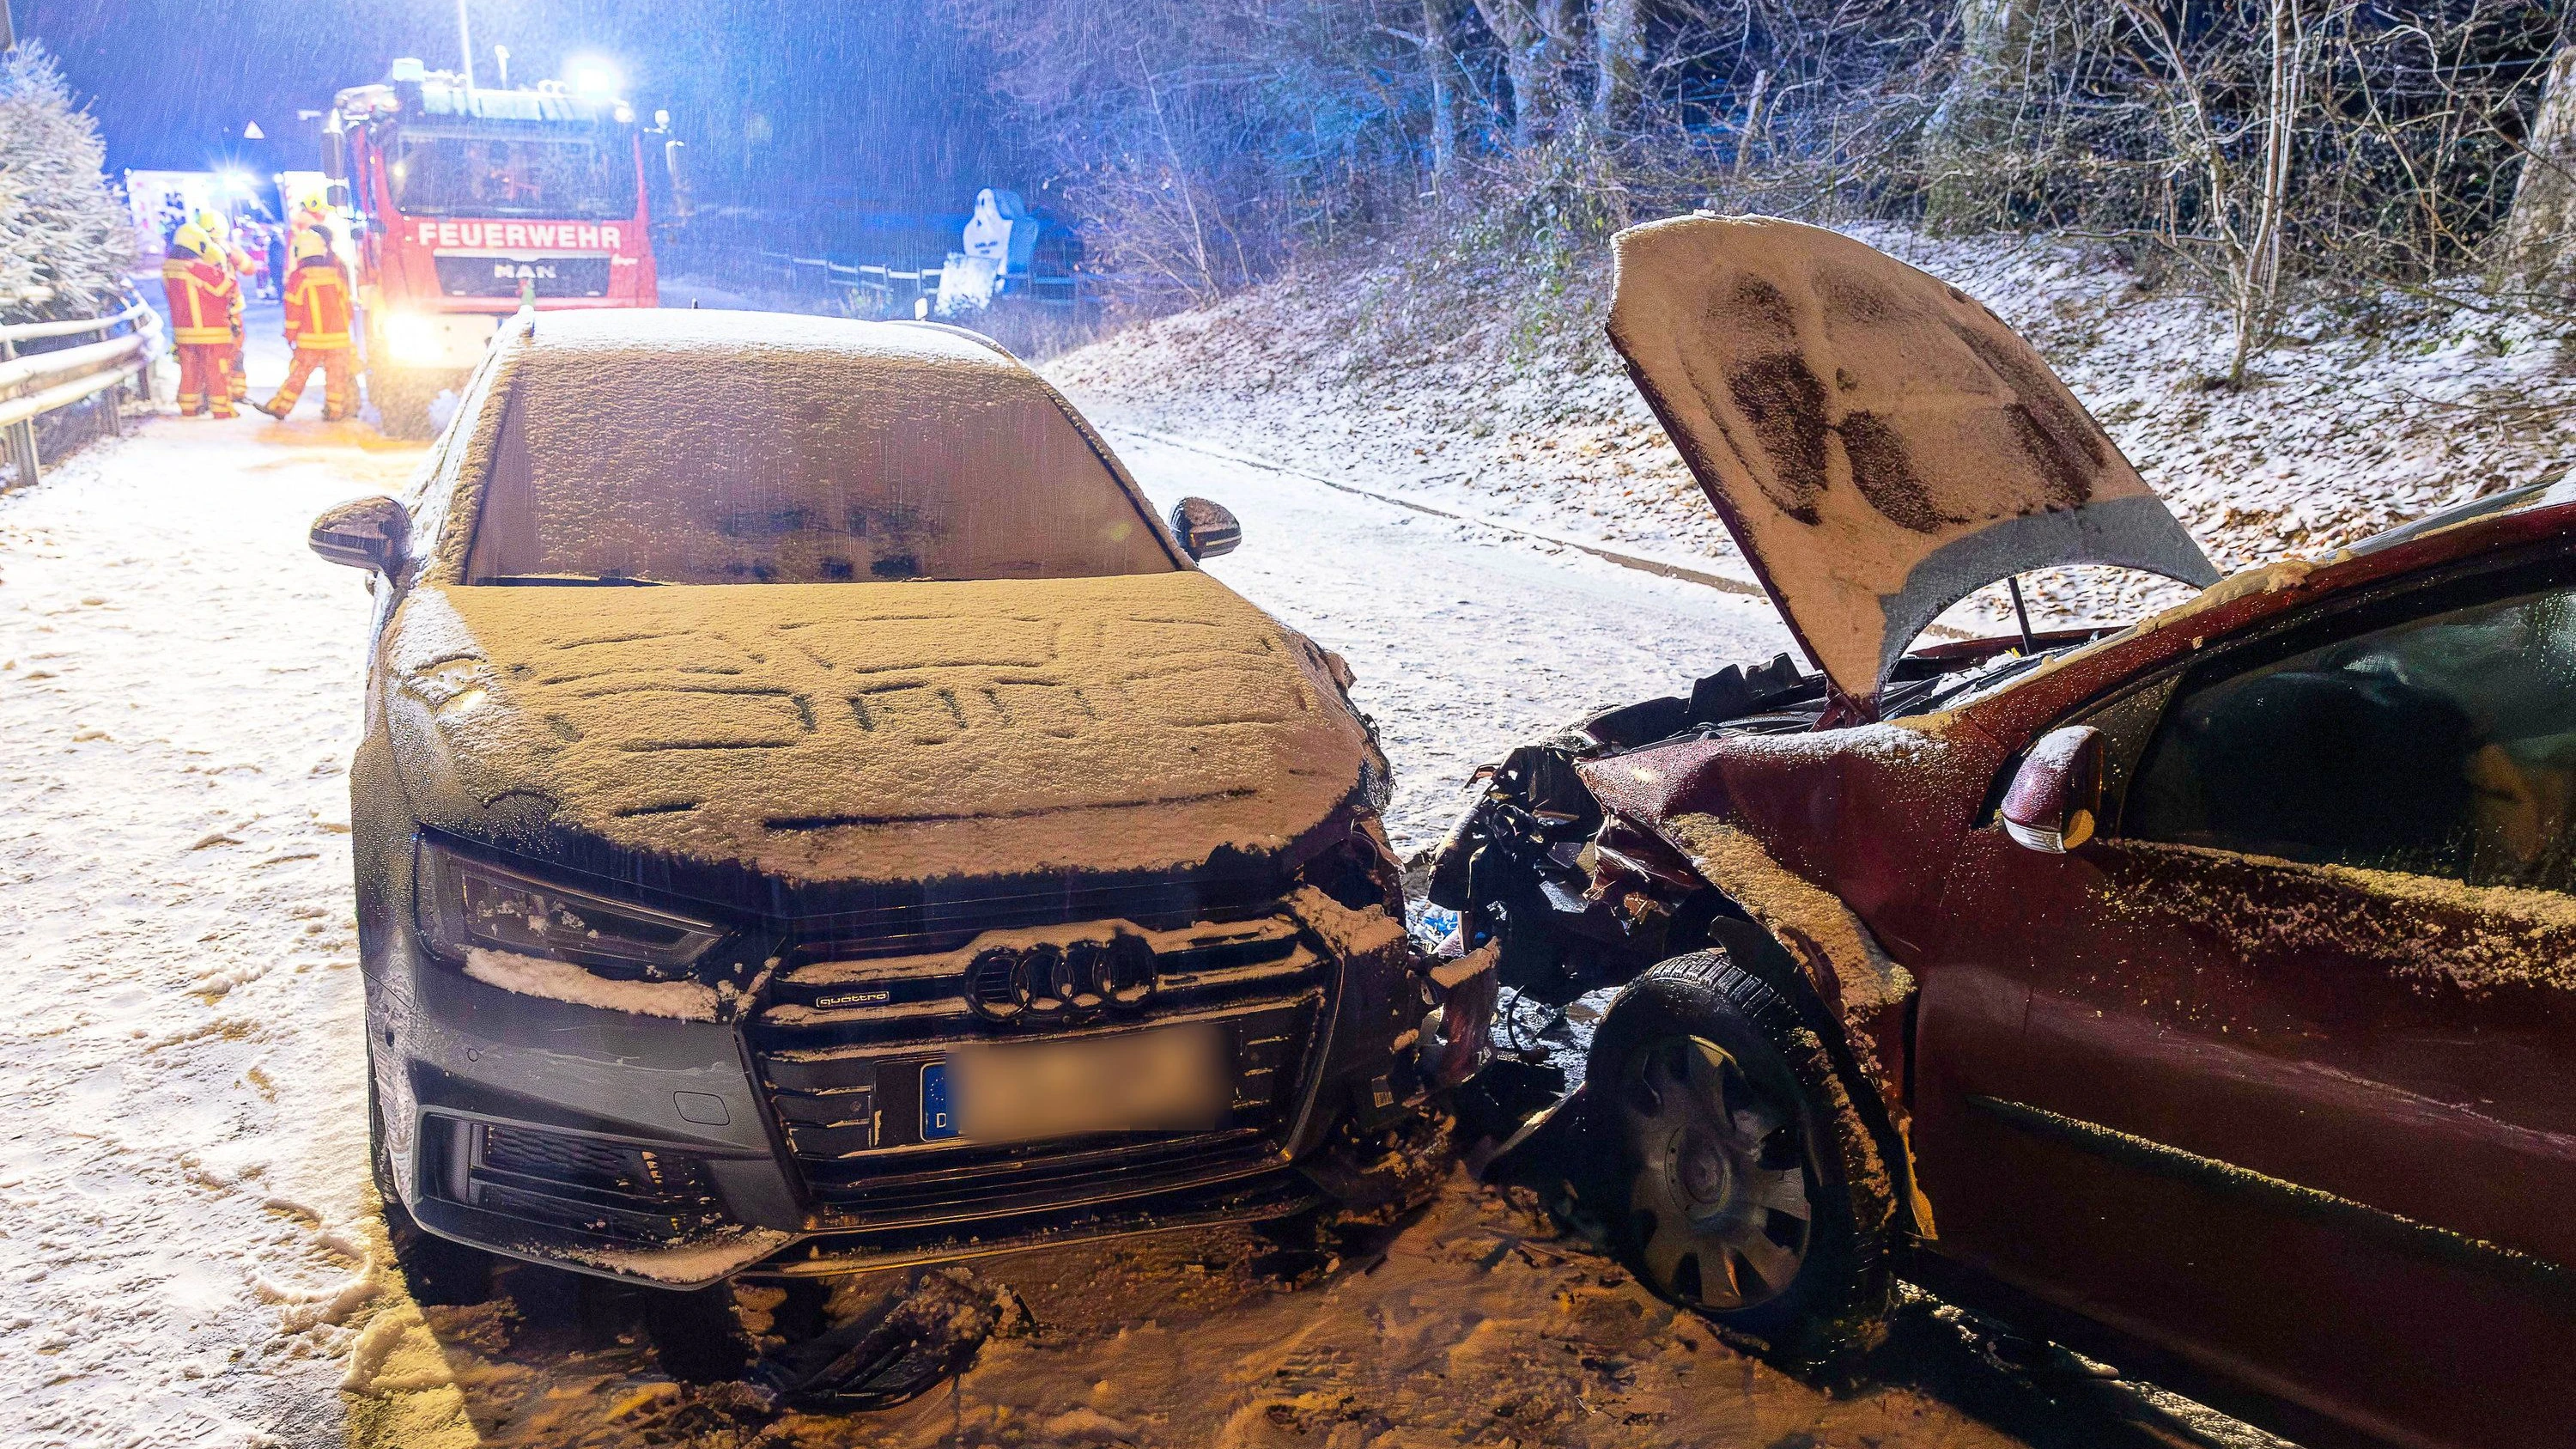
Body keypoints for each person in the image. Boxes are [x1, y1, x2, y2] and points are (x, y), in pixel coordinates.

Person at [258, 230, 355, 421]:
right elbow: (347, 306)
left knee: (298, 375)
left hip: (310, 340)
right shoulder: (335, 275)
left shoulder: (299, 278)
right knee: (336, 377)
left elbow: (293, 311)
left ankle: (281, 407)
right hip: (338, 339)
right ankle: (335, 411)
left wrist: (290, 334)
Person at [161, 222, 240, 419]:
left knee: (190, 371)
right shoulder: (196, 268)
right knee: (217, 370)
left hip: (183, 332)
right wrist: (216, 263)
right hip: (211, 331)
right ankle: (222, 409)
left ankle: (189, 407)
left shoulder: (168, 268)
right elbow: (227, 285)